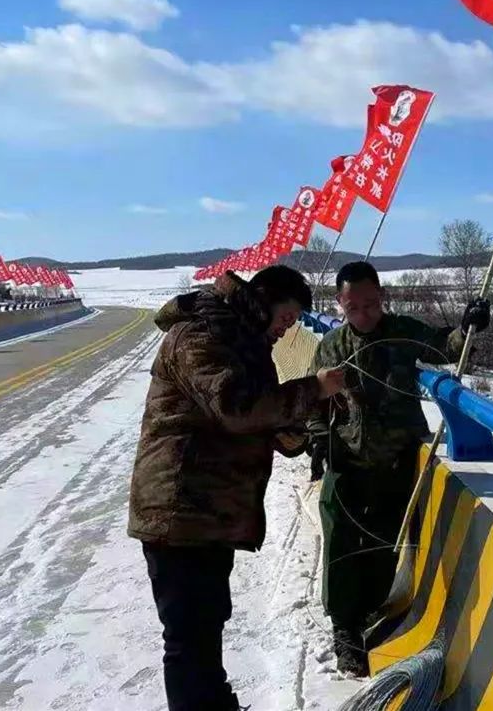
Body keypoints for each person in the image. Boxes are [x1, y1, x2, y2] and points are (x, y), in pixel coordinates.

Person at [128, 266, 345, 711]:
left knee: (206, 625)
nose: (287, 331)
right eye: (285, 318)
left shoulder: (244, 340)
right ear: (262, 299)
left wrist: (311, 429)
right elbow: (237, 408)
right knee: (189, 637)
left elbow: (266, 424)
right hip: (179, 508)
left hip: (208, 510)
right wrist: (312, 389)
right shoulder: (201, 335)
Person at [305, 261, 490, 677]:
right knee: (340, 542)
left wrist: (469, 327)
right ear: (339, 304)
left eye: (371, 304)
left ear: (382, 298)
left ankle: (372, 611)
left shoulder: (403, 332)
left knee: (385, 541)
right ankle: (344, 628)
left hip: (396, 459)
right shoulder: (331, 346)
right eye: (354, 307)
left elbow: (447, 347)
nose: (364, 314)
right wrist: (318, 438)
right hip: (346, 459)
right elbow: (314, 399)